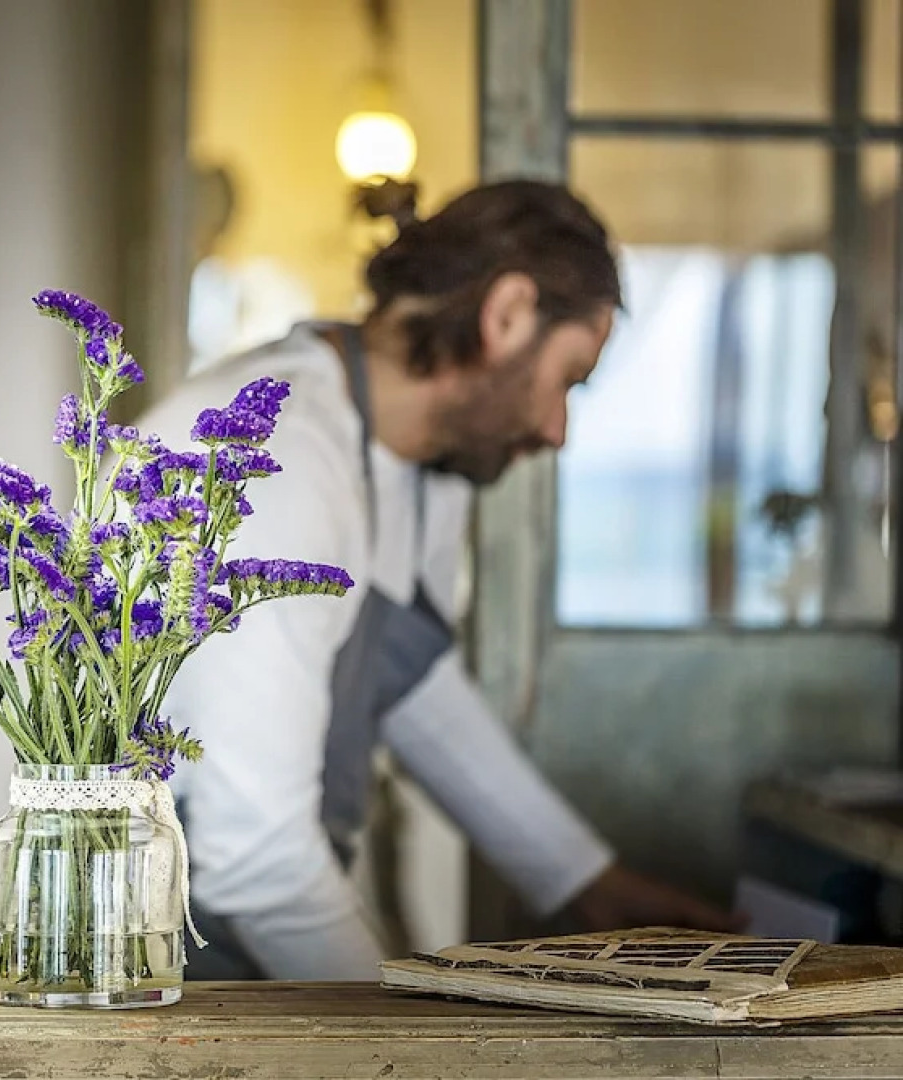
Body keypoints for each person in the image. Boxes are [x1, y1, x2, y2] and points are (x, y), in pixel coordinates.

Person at [143, 179, 740, 980]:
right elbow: (255, 862)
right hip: (171, 966)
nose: (557, 431)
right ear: (506, 315)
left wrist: (579, 877)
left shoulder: (425, 464)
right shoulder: (280, 459)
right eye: (568, 379)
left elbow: (409, 682)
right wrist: (405, 1036)